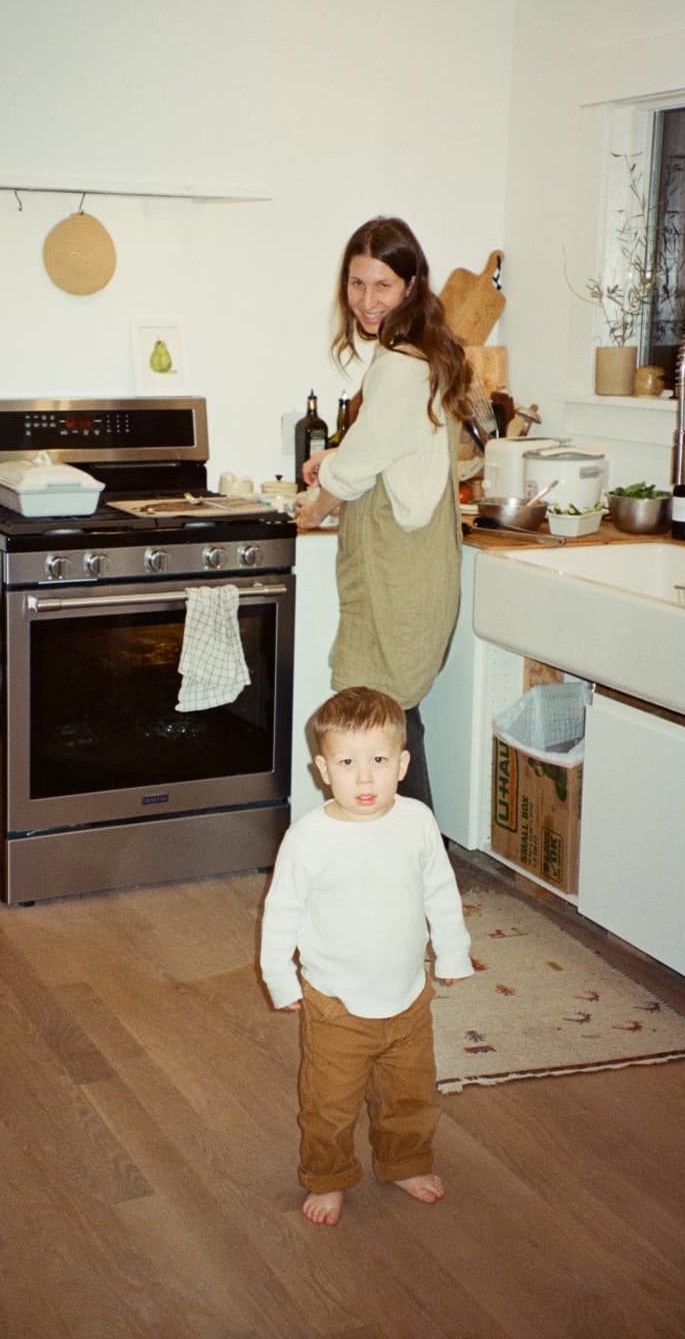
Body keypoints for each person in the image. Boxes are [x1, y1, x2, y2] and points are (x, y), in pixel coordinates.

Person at [260, 686, 474, 1228]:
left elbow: (440, 892)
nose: (364, 777)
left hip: (407, 996)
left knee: (410, 1095)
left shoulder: (418, 822)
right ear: (322, 769)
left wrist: (452, 952)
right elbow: (281, 914)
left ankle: (404, 1161)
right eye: (348, 763)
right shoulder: (308, 839)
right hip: (337, 1005)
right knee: (329, 1105)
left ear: (402, 764)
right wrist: (281, 981)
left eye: (378, 761)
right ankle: (328, 1176)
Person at [295, 216, 472, 809]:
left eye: (382, 286)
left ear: (411, 286)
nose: (367, 301)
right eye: (356, 284)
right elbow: (389, 446)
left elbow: (357, 468)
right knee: (391, 721)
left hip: (398, 569)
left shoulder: (400, 363)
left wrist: (315, 506)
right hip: (416, 563)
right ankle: (411, 870)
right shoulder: (421, 352)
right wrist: (341, 461)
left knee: (379, 728)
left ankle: (414, 870)